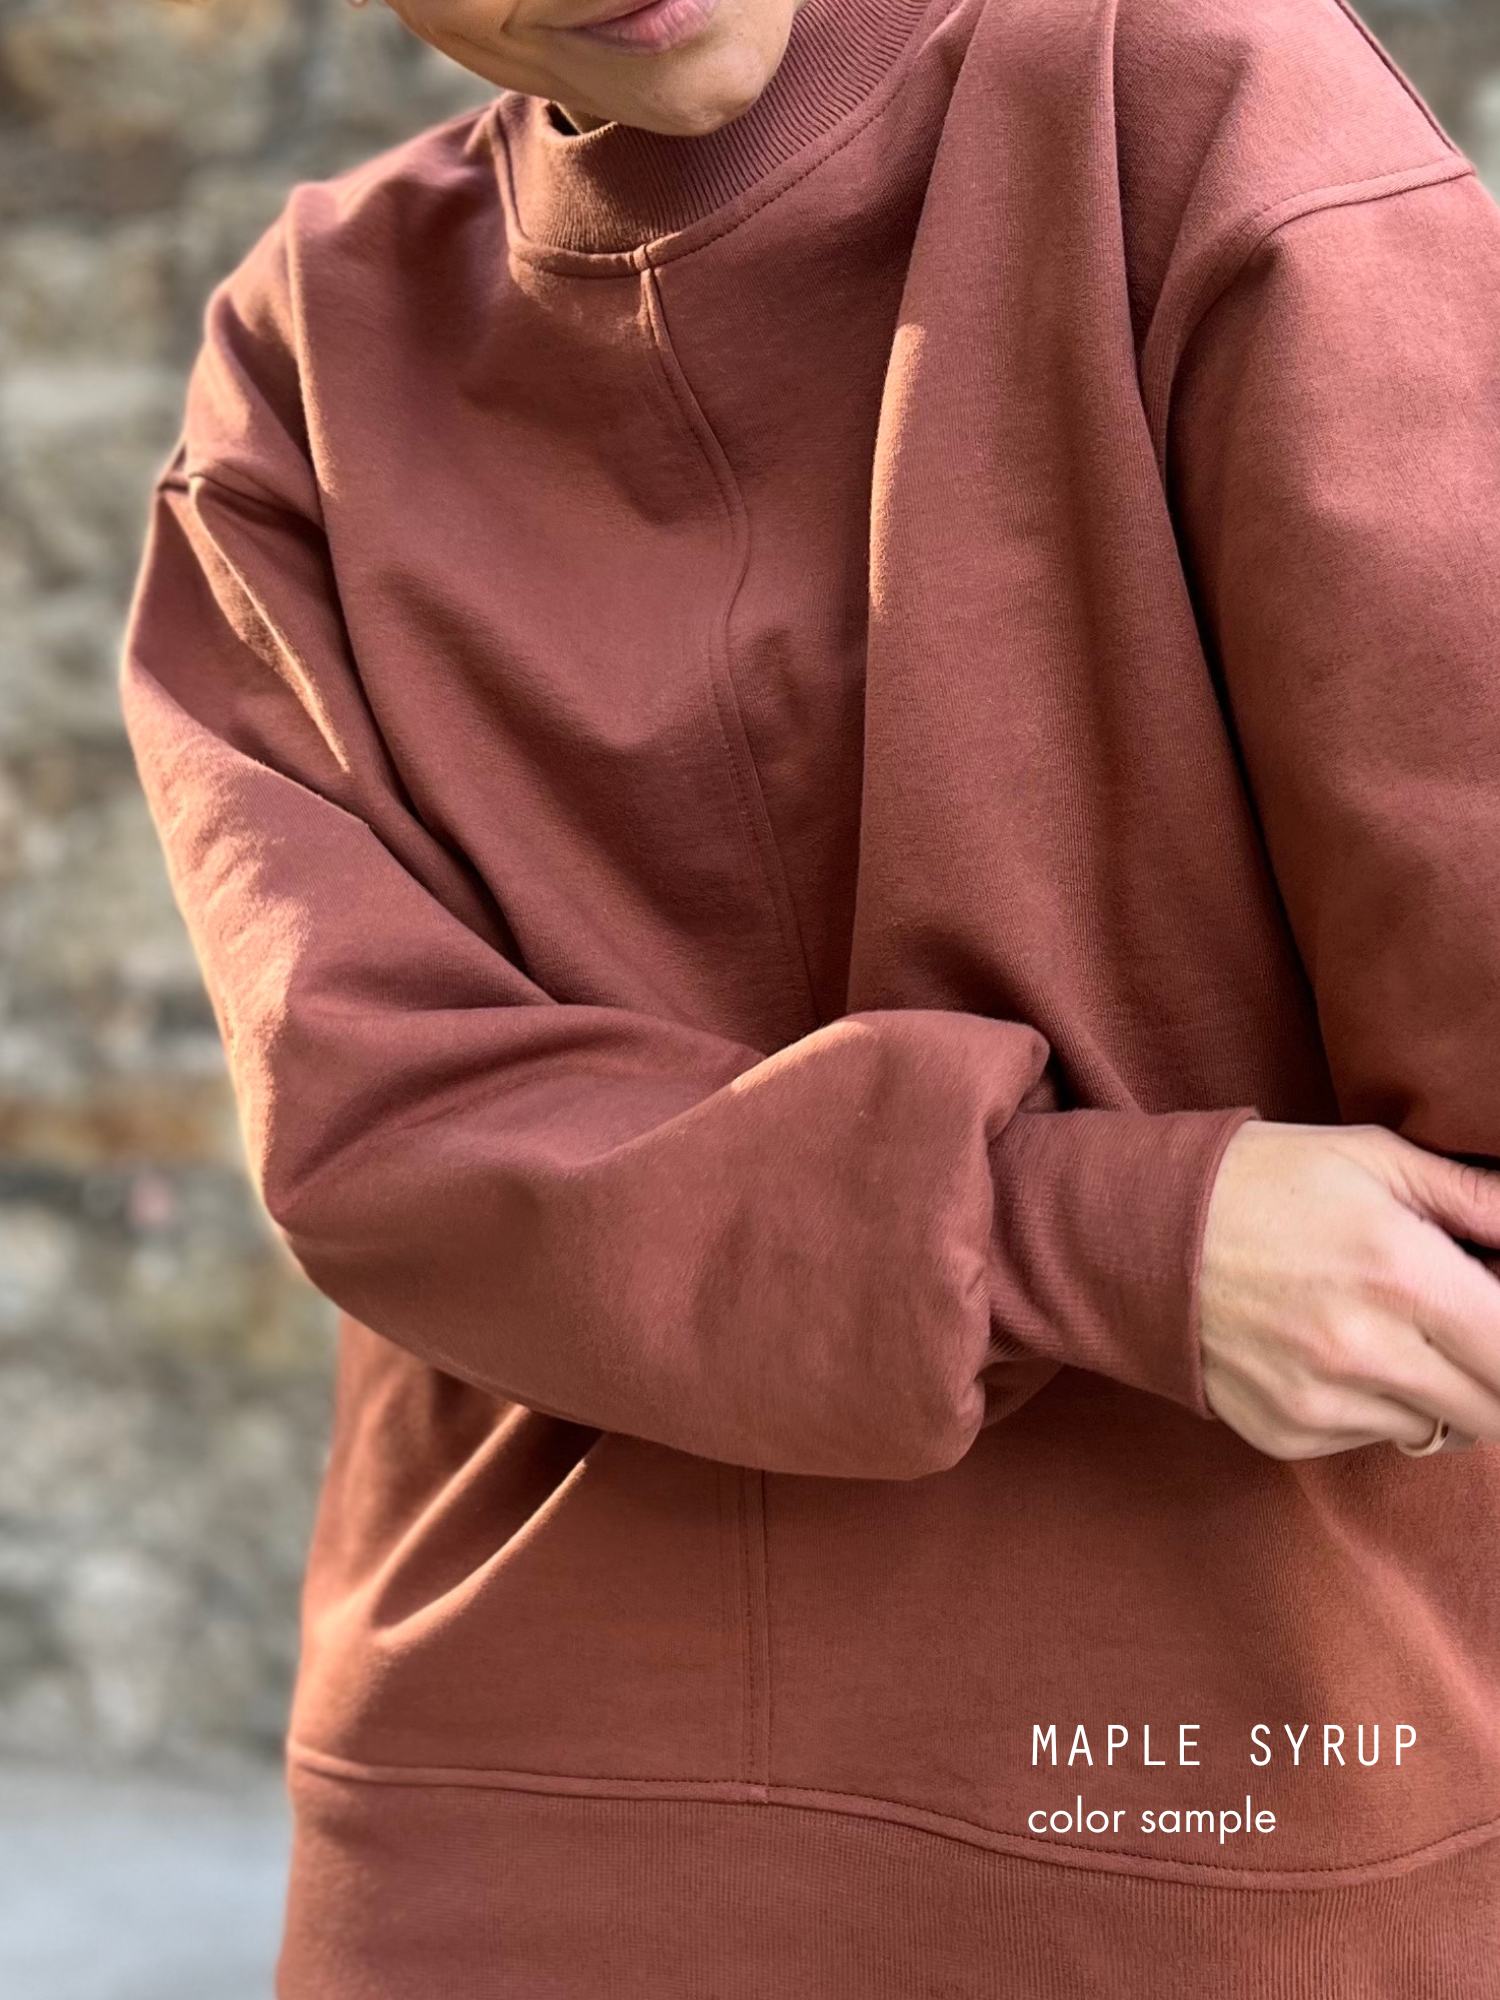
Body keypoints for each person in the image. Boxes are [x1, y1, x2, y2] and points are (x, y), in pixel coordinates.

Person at [121, 0, 1500, 1990]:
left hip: (1213, 1806)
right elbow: (378, 1119)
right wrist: (1078, 1235)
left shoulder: (1186, 101)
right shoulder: (309, 351)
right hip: (527, 1822)